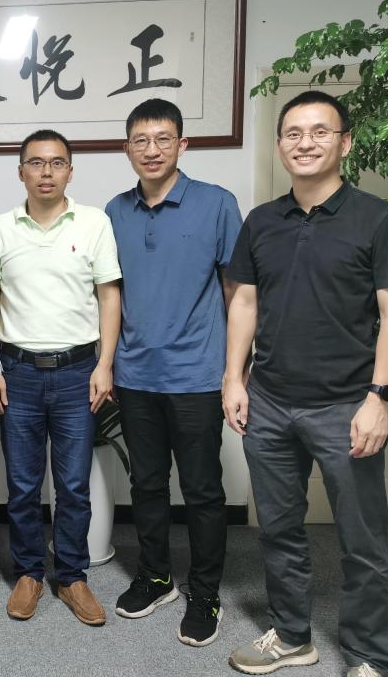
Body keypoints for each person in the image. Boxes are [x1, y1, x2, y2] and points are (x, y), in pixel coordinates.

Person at [223, 91, 388, 677]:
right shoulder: (261, 221)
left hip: (346, 406)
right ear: (280, 144)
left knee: (362, 541)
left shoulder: (378, 219)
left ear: (345, 142)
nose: (305, 143)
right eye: (293, 133)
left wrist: (379, 399)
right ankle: (292, 636)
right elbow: (244, 302)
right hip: (270, 402)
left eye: (320, 131)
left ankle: (369, 656)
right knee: (278, 531)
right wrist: (234, 378)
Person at [105, 98, 242, 646]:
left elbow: (238, 292)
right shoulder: (115, 211)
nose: (152, 150)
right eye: (141, 140)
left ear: (183, 144)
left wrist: (236, 372)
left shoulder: (217, 204)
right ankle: (156, 576)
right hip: (135, 374)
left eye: (163, 139)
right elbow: (110, 294)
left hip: (197, 374)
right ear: (127, 149)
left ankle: (205, 592)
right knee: (146, 483)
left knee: (203, 490)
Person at [0, 129, 121, 625]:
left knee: (73, 485)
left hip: (78, 372)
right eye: (36, 163)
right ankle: (29, 573)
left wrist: (104, 364)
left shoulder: (94, 222)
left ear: (70, 172)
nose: (46, 172)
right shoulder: (0, 227)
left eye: (57, 163)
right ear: (20, 171)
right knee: (22, 484)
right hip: (17, 372)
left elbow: (109, 294)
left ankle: (72, 577)